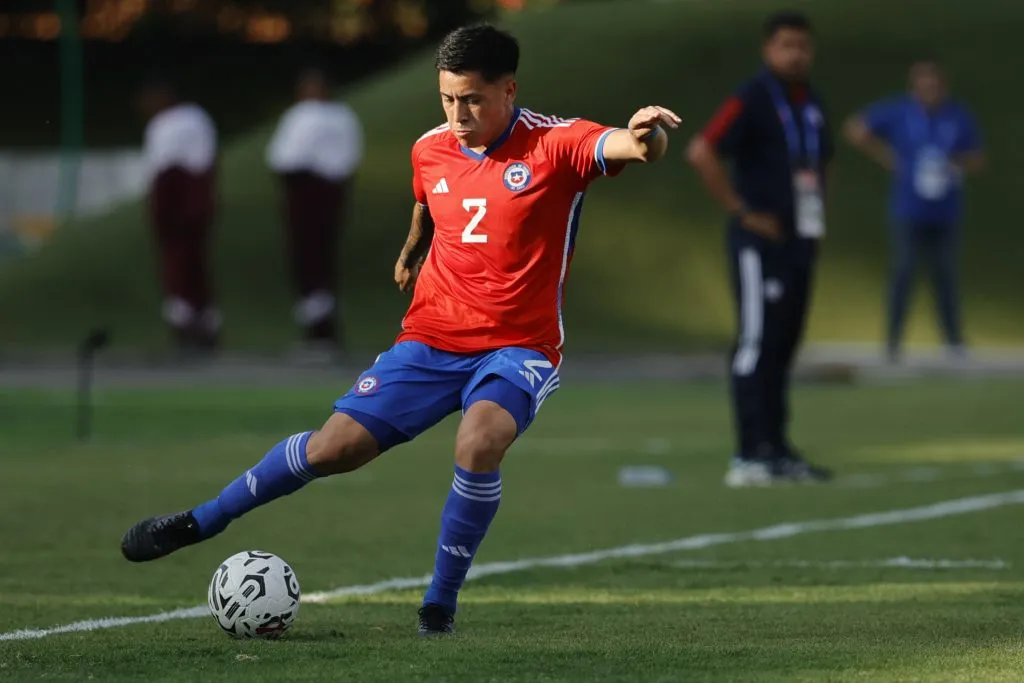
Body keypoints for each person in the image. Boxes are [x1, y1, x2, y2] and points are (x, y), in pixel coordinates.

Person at [120, 24, 680, 636]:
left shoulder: (555, 143)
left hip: (519, 346)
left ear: (508, 89)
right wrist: (412, 250)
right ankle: (199, 522)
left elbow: (628, 148)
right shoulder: (431, 147)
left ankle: (438, 607)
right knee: (333, 449)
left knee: (478, 443)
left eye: (472, 100)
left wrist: (646, 135)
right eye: (447, 99)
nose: (458, 115)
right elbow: (427, 199)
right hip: (431, 337)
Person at [686, 11, 833, 487]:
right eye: (786, 45)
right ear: (768, 49)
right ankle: (749, 453)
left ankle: (777, 448)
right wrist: (741, 209)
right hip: (759, 242)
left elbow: (820, 164)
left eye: (803, 46)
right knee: (756, 343)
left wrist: (816, 217)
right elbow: (702, 149)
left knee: (784, 344)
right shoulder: (752, 98)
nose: (796, 54)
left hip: (800, 239)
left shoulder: (812, 103)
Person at [844, 60, 985, 362]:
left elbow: (978, 158)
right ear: (913, 87)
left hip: (946, 210)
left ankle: (953, 341)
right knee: (903, 271)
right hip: (909, 209)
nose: (929, 90)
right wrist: (888, 158)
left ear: (943, 85)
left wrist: (952, 166)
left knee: (945, 274)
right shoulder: (899, 112)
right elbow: (856, 128)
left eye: (933, 84)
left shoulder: (957, 116)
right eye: (923, 85)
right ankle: (893, 341)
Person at [266, 68, 364, 356]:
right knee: (313, 260)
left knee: (313, 258)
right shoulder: (339, 117)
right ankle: (318, 324)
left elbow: (286, 157)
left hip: (310, 191)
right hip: (319, 191)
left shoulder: (309, 116)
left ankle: (321, 328)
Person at [139, 78, 220, 354]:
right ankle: (197, 323)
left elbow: (168, 169)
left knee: (183, 265)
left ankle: (192, 327)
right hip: (190, 201)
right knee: (185, 265)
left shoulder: (177, 123)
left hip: (181, 199)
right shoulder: (193, 119)